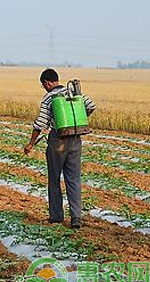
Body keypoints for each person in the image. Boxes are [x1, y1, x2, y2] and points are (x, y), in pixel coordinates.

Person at [23, 68, 96, 229]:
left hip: (58, 141)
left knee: (54, 179)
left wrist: (30, 144)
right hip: (76, 139)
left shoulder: (50, 97)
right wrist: (77, 118)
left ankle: (56, 217)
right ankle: (76, 218)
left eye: (44, 85)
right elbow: (91, 106)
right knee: (74, 179)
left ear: (47, 83)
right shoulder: (74, 93)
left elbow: (40, 123)